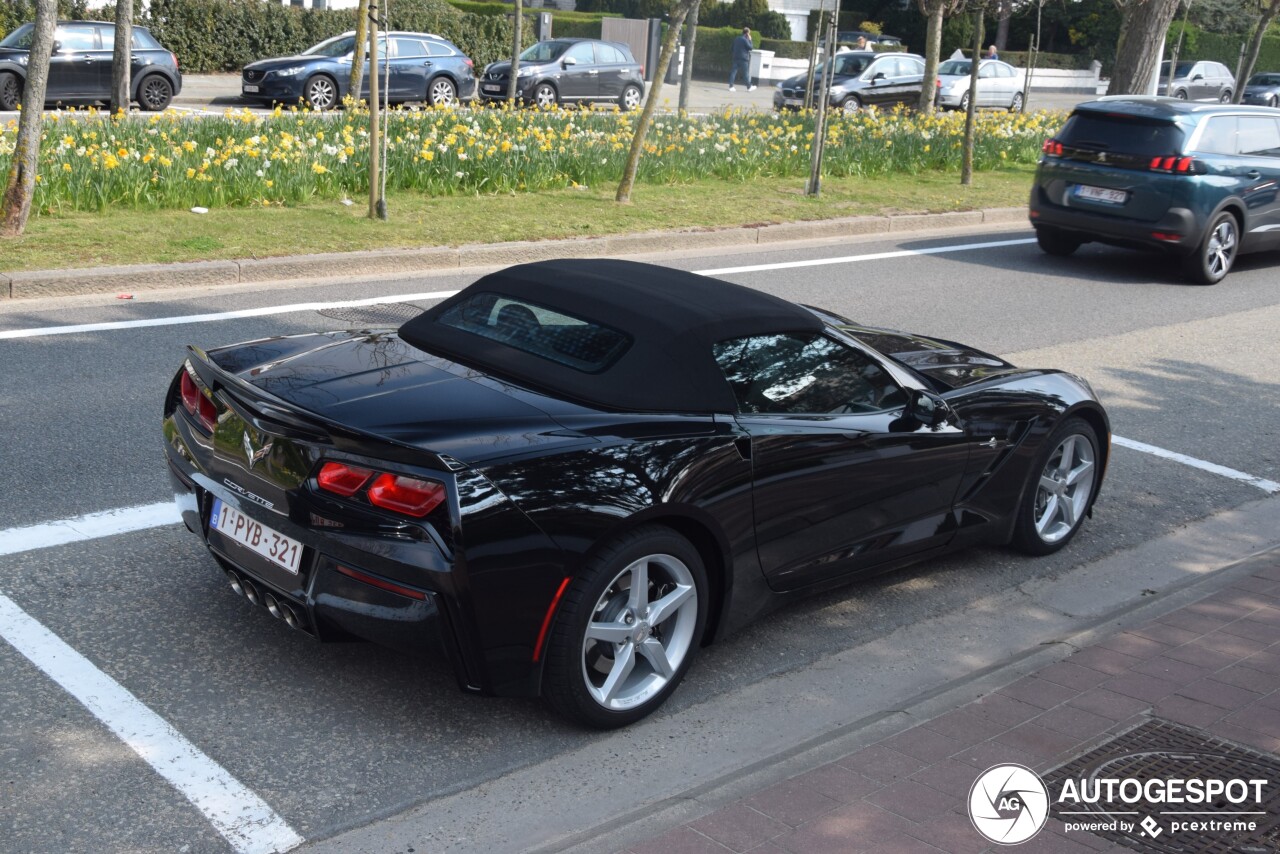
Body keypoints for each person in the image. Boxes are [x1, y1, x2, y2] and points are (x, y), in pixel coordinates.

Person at [729, 27, 756, 91]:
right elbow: (751, 47)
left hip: (736, 58)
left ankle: (731, 87)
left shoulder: (736, 38)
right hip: (743, 59)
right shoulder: (745, 40)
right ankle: (749, 87)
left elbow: (732, 48)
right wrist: (750, 40)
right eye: (749, 33)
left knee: (733, 72)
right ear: (747, 33)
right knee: (745, 74)